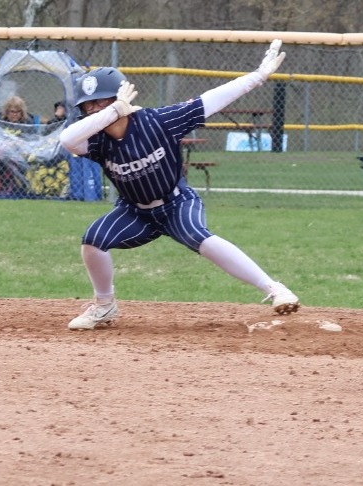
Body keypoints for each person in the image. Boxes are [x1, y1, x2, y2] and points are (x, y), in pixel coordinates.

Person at [59, 40, 300, 330]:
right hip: (135, 211)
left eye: (102, 101)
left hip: (177, 203)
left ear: (122, 98)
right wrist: (112, 112)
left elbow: (212, 99)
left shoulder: (159, 121)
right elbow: (66, 140)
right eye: (89, 106)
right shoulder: (94, 139)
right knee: (93, 240)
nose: (94, 110)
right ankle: (104, 306)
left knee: (199, 236)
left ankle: (275, 289)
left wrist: (258, 76)